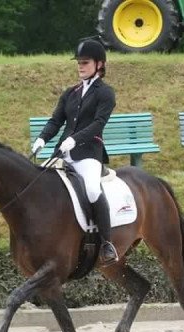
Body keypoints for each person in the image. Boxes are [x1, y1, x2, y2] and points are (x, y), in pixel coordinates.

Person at [32, 38, 119, 266]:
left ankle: (107, 243)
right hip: (63, 153)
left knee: (91, 190)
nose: (80, 66)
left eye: (85, 62)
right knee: (40, 184)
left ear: (99, 64)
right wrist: (42, 138)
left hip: (88, 154)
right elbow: (56, 120)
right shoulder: (71, 93)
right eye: (78, 62)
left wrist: (75, 139)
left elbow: (98, 124)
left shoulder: (105, 93)